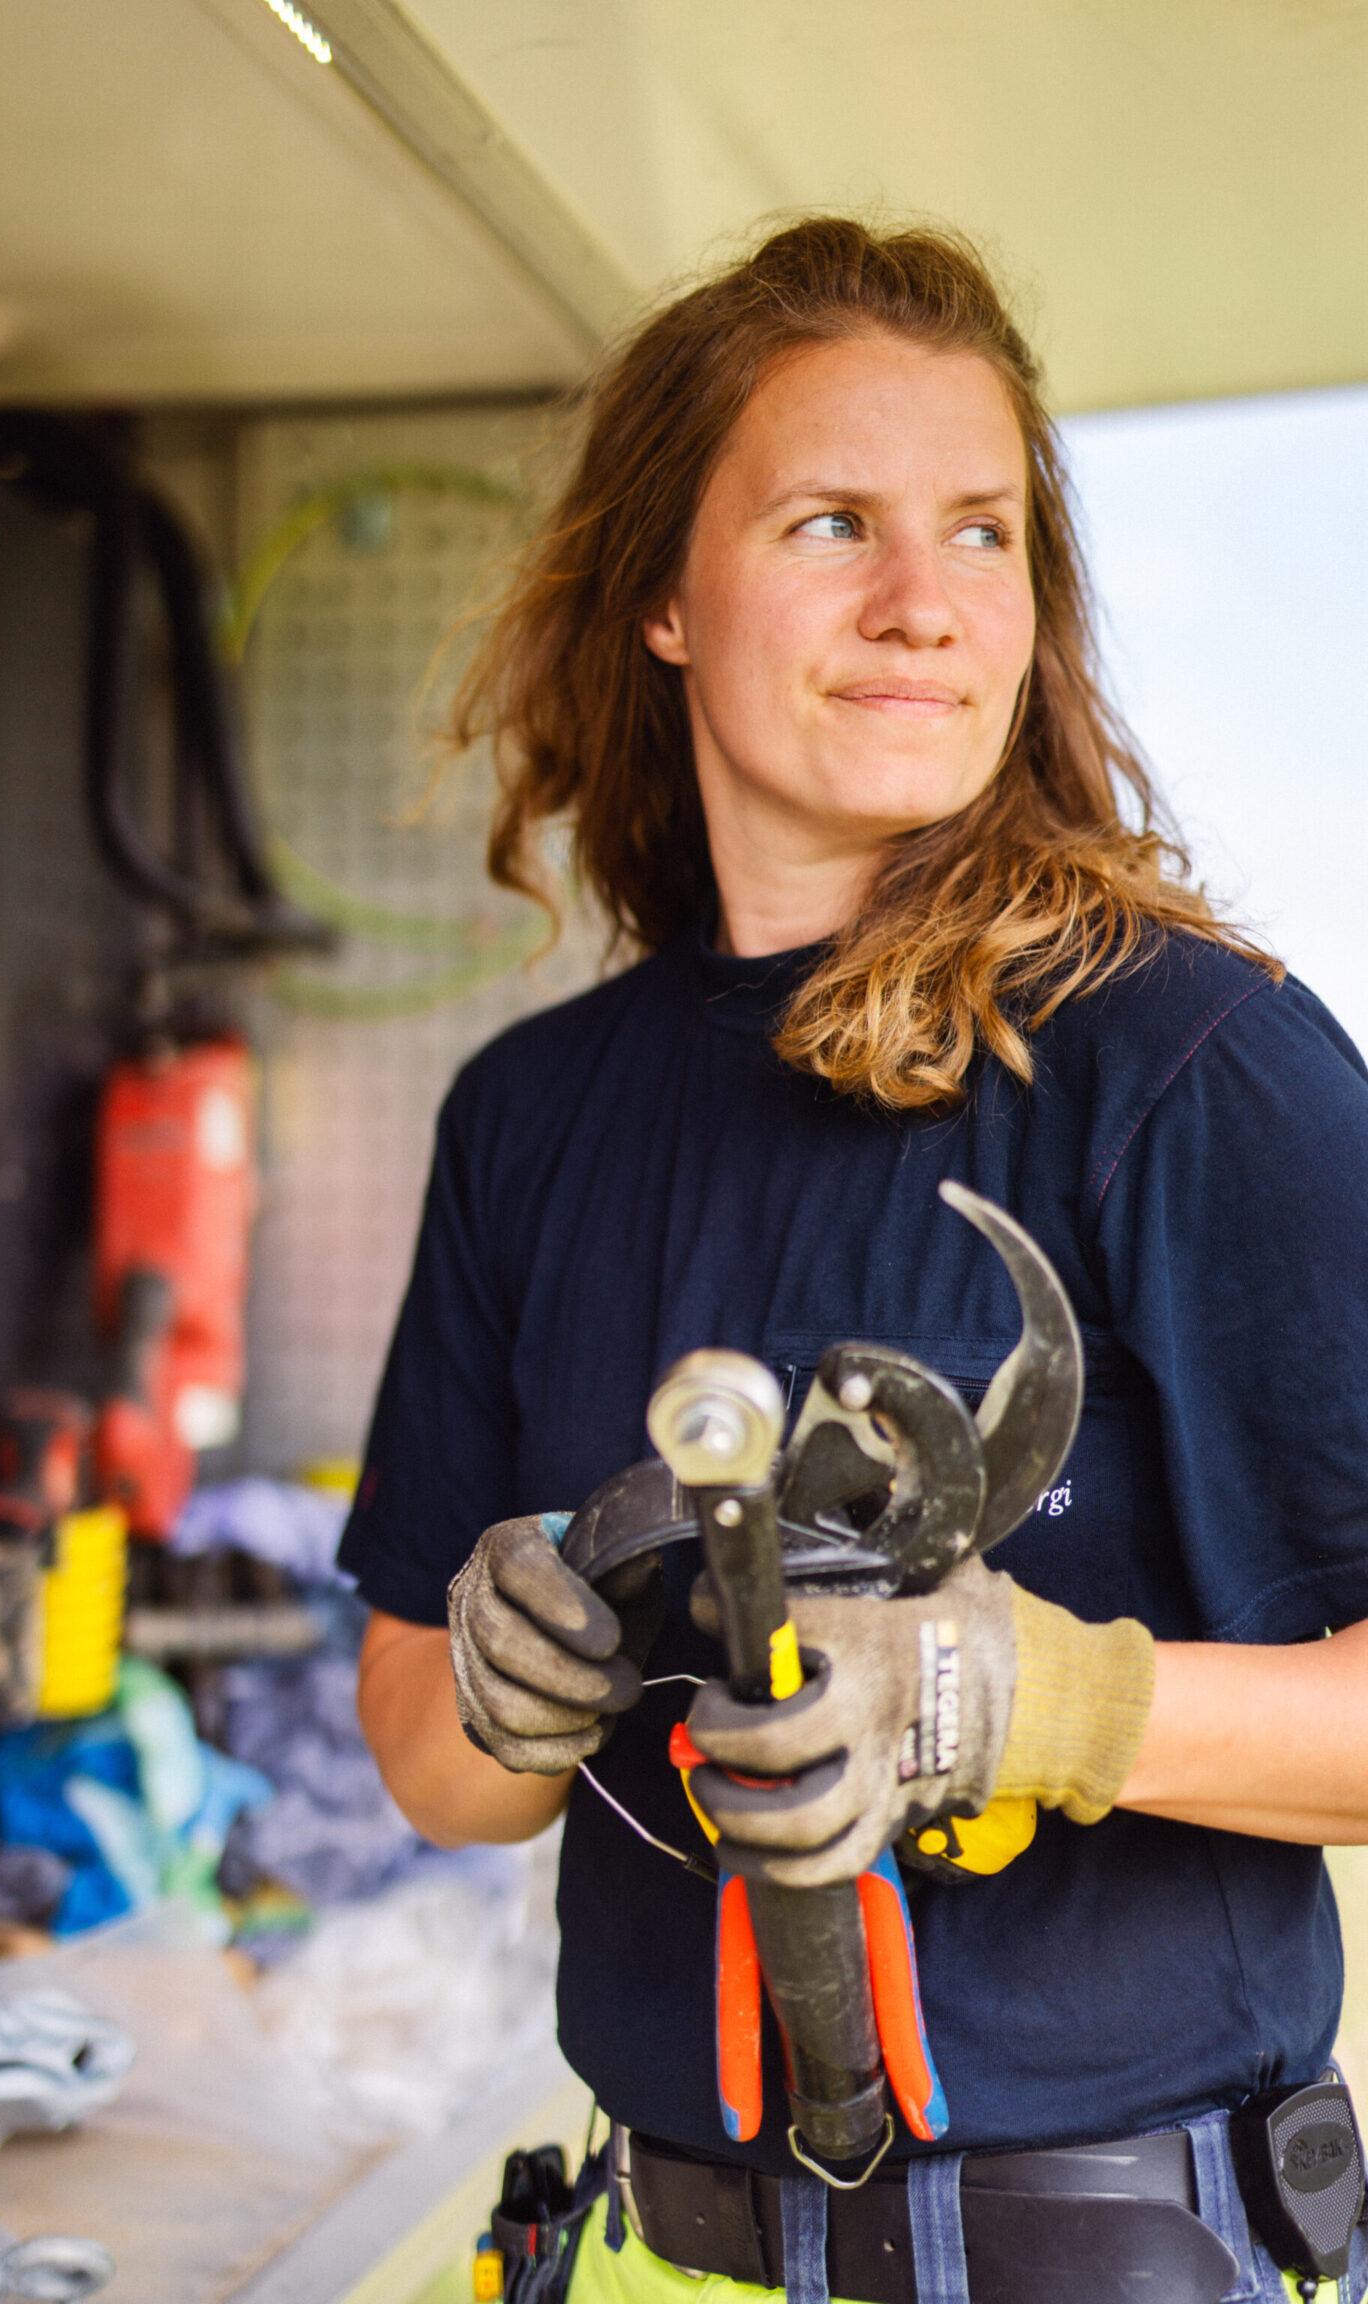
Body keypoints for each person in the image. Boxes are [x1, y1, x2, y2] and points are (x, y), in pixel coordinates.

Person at [344, 217, 1368, 2304]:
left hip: (1108, 2253)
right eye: (833, 524)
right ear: (661, 596)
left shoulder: (1191, 1063)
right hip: (656, 2255)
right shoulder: (531, 1119)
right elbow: (429, 1766)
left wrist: (1036, 1698)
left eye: (982, 532)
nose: (924, 602)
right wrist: (505, 1675)